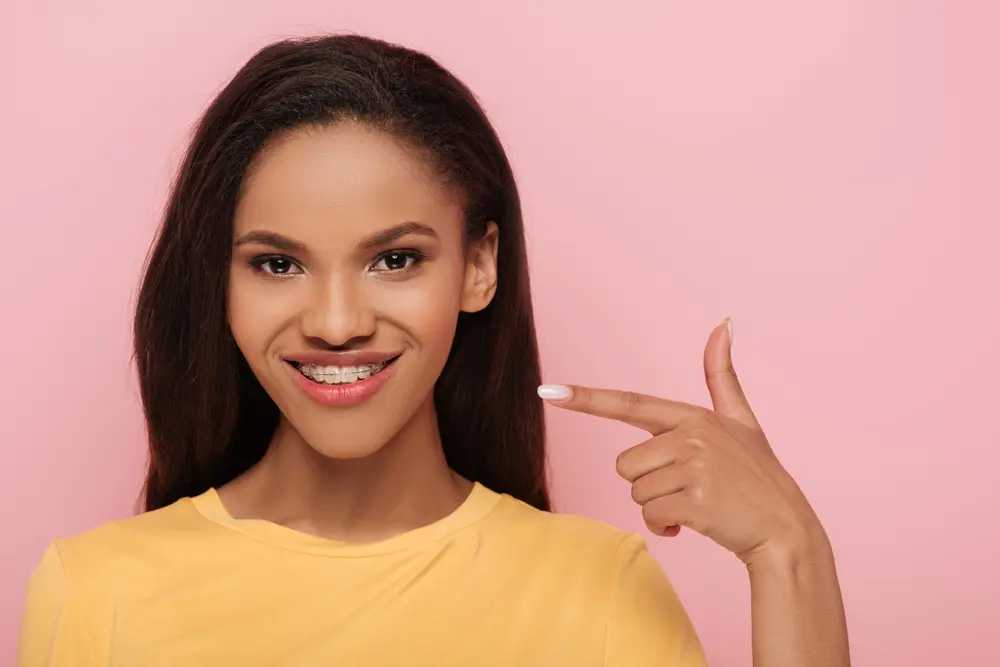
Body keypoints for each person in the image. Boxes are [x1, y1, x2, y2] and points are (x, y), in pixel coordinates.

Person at [17, 34, 850, 666]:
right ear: (220, 283)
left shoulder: (601, 589)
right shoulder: (97, 593)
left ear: (479, 266)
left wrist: (789, 549)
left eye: (395, 258)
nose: (337, 322)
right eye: (277, 263)